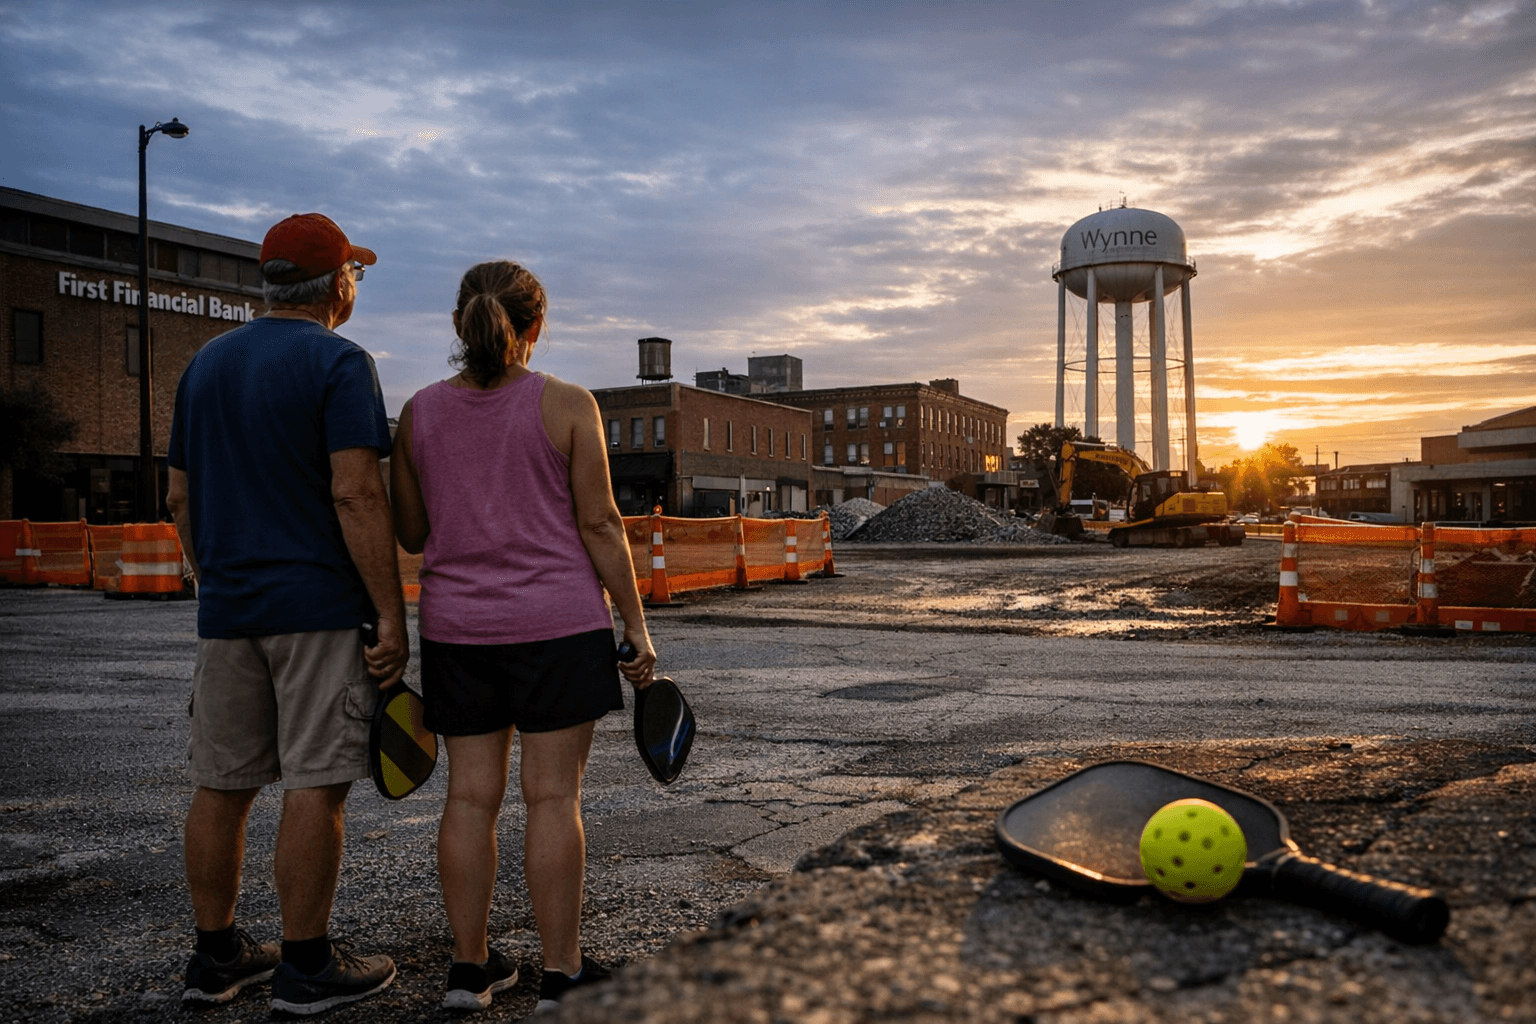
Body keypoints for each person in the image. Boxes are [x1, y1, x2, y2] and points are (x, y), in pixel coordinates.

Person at [390, 259, 656, 1013]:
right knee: (552, 798)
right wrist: (634, 624)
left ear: (458, 325)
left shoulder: (418, 413)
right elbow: (600, 523)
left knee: (470, 798)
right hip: (557, 625)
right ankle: (562, 975)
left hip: (456, 629)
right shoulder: (569, 404)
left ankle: (469, 972)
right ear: (535, 327)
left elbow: (411, 529)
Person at [166, 213, 408, 1015]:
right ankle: (306, 964)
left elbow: (178, 496)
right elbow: (355, 490)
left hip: (228, 610)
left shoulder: (205, 364)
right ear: (337, 283)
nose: (355, 286)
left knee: (220, 783)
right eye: (356, 274)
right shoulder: (340, 361)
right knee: (317, 780)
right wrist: (389, 611)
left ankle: (217, 955)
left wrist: (212, 578)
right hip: (314, 610)